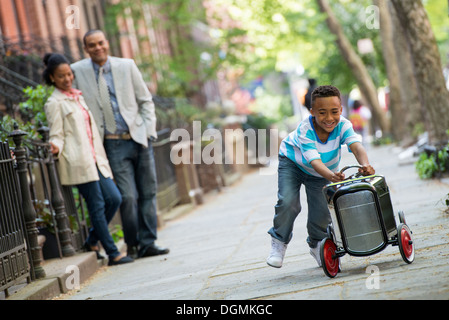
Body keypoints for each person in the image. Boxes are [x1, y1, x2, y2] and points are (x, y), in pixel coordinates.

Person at [71, 30, 169, 259]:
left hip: (138, 138)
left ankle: (148, 243)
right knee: (127, 197)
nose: (98, 48)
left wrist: (148, 131)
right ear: (86, 48)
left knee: (148, 192)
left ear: (107, 43)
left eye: (101, 43)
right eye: (92, 45)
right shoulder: (77, 71)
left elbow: (145, 101)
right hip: (112, 143)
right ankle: (133, 243)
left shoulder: (127, 66)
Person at [266, 85, 375, 268]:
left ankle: (318, 245)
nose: (329, 118)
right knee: (289, 202)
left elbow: (356, 146)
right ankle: (279, 242)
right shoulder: (305, 129)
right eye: (322, 113)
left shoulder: (344, 125)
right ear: (312, 112)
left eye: (334, 112)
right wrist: (332, 176)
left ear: (341, 110)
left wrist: (365, 165)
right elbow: (314, 161)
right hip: (293, 163)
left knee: (321, 210)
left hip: (323, 171)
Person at [43, 53, 133, 266]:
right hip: (78, 161)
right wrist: (55, 146)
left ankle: (92, 240)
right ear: (52, 78)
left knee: (115, 198)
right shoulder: (54, 102)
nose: (67, 79)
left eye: (69, 74)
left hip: (95, 158)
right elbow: (57, 133)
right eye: (61, 76)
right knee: (98, 204)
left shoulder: (77, 96)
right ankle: (112, 253)